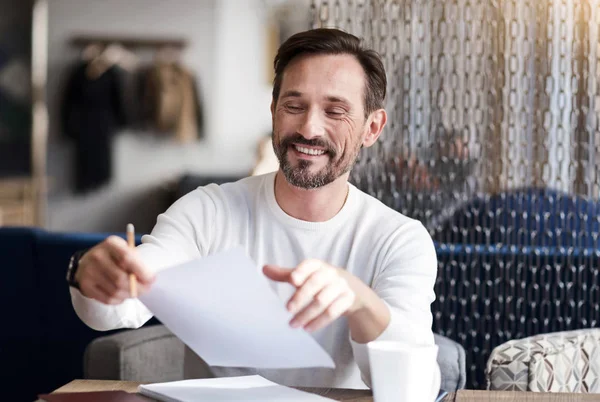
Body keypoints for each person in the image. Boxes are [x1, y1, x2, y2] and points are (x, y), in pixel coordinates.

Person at [67, 28, 440, 390]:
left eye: (335, 111)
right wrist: (93, 274)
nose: (309, 128)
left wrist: (359, 299)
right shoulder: (208, 211)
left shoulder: (400, 239)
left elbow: (415, 388)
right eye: (294, 106)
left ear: (372, 128)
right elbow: (119, 307)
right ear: (275, 111)